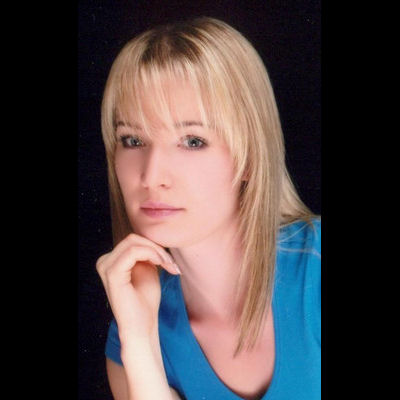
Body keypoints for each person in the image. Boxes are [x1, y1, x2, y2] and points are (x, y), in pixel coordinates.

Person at [96, 17, 321, 400]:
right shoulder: (132, 337)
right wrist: (140, 341)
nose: (151, 176)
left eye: (192, 141)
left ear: (250, 156)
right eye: (132, 140)